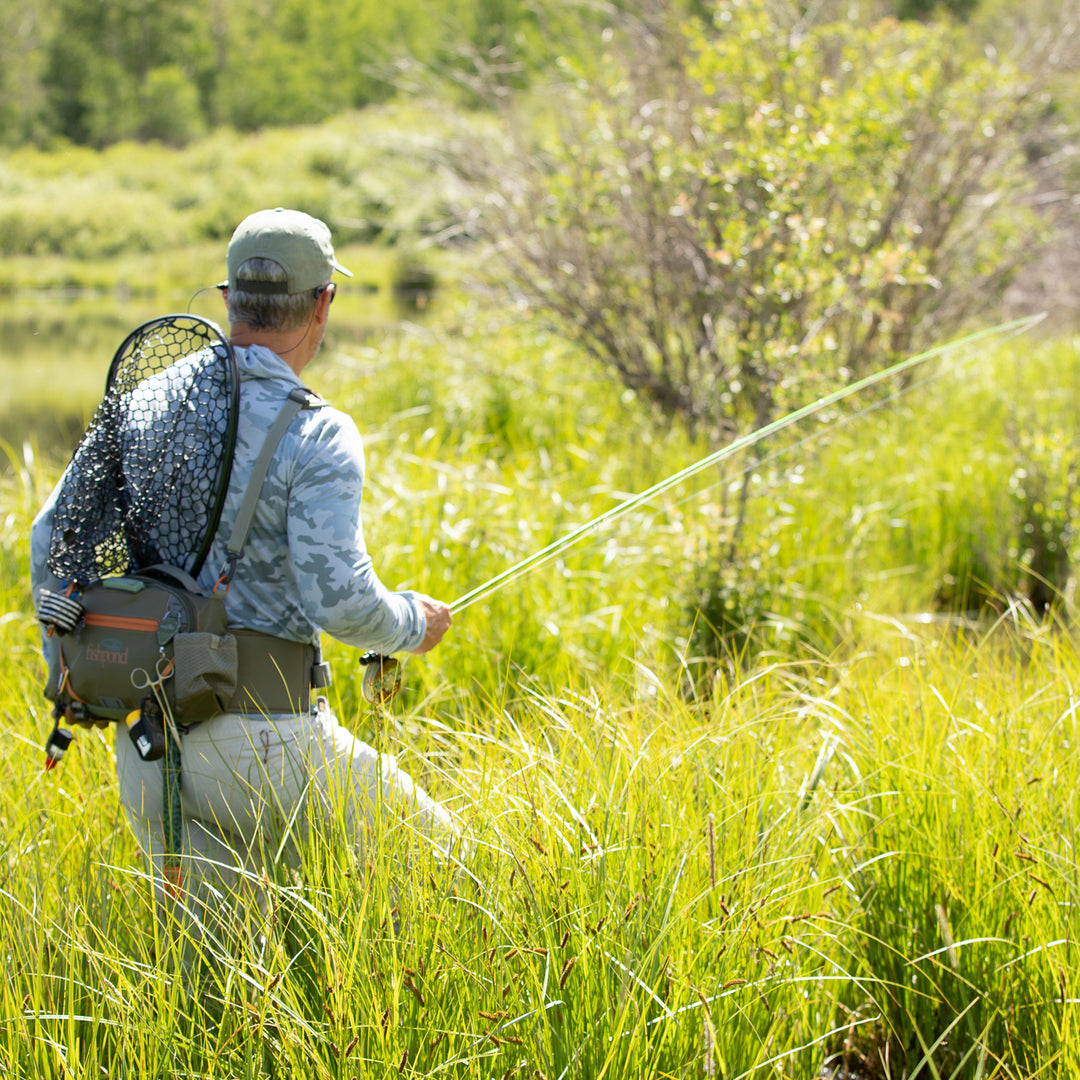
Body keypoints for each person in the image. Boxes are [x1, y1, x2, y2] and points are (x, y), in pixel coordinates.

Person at [29, 207, 460, 948]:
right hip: (269, 753)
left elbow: (49, 540)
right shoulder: (318, 430)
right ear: (324, 303)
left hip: (146, 747)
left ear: (228, 299)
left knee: (227, 985)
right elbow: (340, 601)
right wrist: (415, 624)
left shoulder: (140, 404)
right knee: (457, 872)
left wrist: (70, 669)